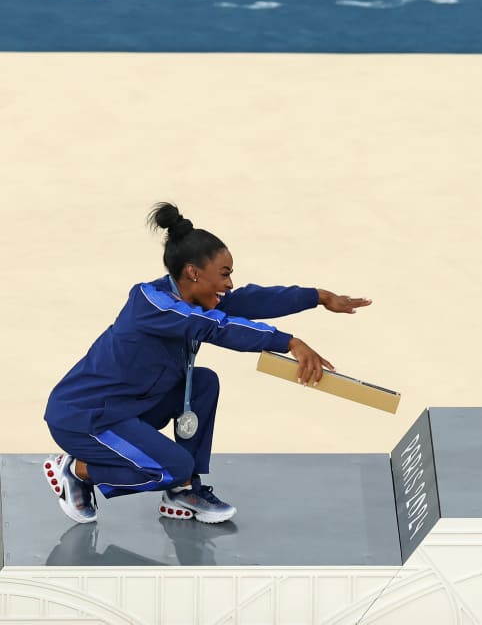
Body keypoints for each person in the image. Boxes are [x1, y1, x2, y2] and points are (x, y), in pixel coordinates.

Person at [42, 202, 371, 525]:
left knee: (203, 383)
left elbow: (252, 298)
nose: (229, 284)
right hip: (86, 417)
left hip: (129, 406)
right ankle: (76, 470)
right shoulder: (151, 302)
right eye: (224, 274)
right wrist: (290, 342)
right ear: (192, 273)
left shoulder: (196, 296)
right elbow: (215, 327)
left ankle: (183, 491)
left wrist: (319, 297)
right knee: (173, 467)